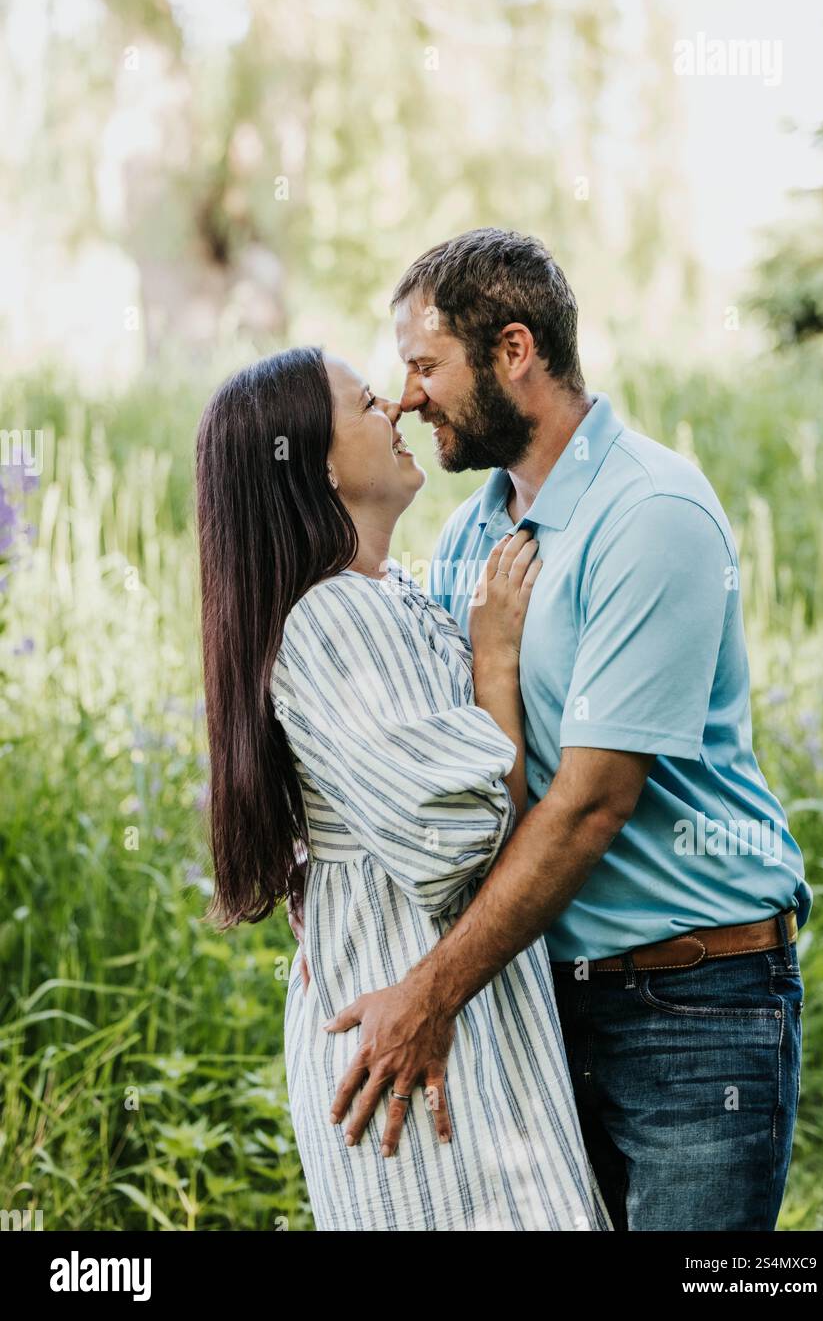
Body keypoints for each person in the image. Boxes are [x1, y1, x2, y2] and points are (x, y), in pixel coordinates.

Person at [319, 228, 813, 1232]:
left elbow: (591, 805)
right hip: (542, 1003)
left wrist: (429, 992)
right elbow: (452, 762)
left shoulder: (651, 512)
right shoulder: (471, 532)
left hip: (695, 1006)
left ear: (513, 352)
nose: (408, 396)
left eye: (425, 366)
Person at [195, 344, 611, 1232]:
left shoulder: (380, 596)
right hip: (407, 1011)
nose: (397, 411)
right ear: (313, 464)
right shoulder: (336, 612)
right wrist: (494, 660)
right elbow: (456, 831)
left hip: (427, 988)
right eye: (367, 404)